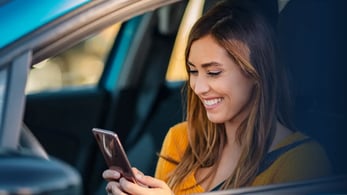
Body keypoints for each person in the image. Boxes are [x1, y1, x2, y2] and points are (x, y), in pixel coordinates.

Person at [102, 0, 333, 194]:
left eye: (214, 72)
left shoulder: (302, 162)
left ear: (256, 73)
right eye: (193, 71)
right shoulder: (180, 140)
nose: (199, 87)